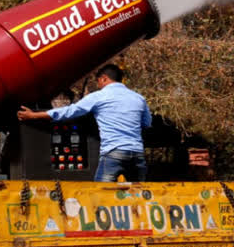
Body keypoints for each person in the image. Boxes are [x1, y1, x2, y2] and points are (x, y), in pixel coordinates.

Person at [17, 63, 151, 182]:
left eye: (98, 81)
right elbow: (146, 123)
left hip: (113, 152)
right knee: (140, 195)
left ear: (104, 78)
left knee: (101, 195)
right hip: (137, 153)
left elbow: (69, 112)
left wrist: (34, 115)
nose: (98, 86)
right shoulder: (139, 98)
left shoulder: (99, 96)